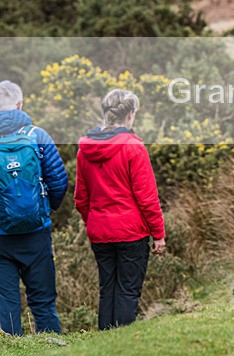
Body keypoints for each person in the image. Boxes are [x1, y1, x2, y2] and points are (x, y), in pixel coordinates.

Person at [75, 89, 165, 330]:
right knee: (127, 290)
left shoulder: (84, 150)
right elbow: (147, 198)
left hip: (100, 231)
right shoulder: (134, 148)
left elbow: (81, 199)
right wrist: (158, 233)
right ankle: (122, 345)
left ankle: (105, 343)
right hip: (131, 232)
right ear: (130, 115)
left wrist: (93, 220)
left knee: (108, 289)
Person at [0, 81, 68, 336]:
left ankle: (10, 349)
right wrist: (45, 209)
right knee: (43, 301)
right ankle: (51, 346)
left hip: (1, 237)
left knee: (6, 304)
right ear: (19, 104)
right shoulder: (37, 135)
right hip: (36, 231)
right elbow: (59, 180)